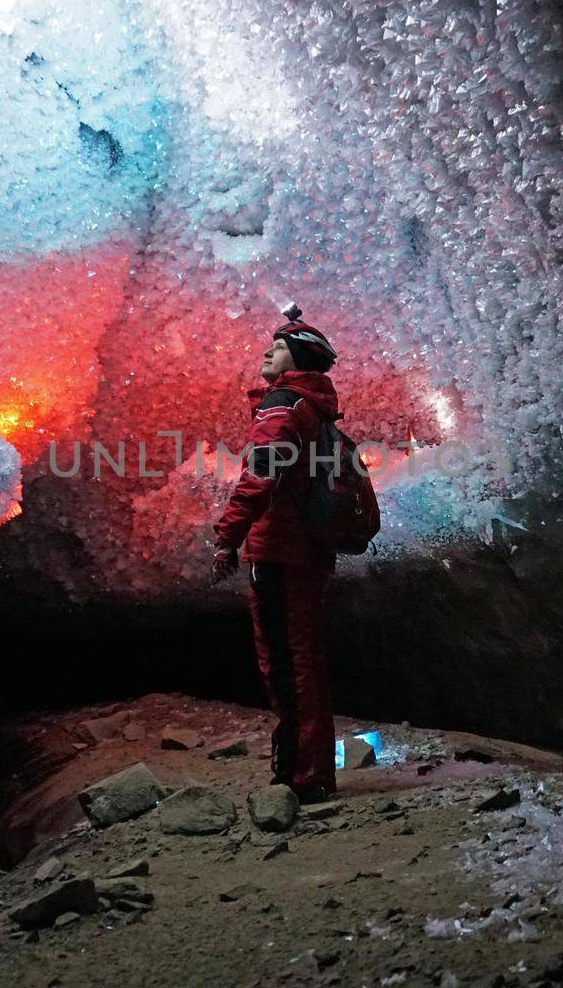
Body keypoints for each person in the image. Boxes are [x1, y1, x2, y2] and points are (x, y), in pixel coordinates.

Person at [210, 306, 342, 803]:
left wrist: (228, 535)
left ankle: (300, 777)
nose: (267, 351)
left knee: (287, 663)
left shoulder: (282, 405)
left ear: (298, 360)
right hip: (305, 549)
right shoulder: (314, 407)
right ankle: (314, 771)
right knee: (304, 656)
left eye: (280, 346)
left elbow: (261, 473)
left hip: (280, 550)